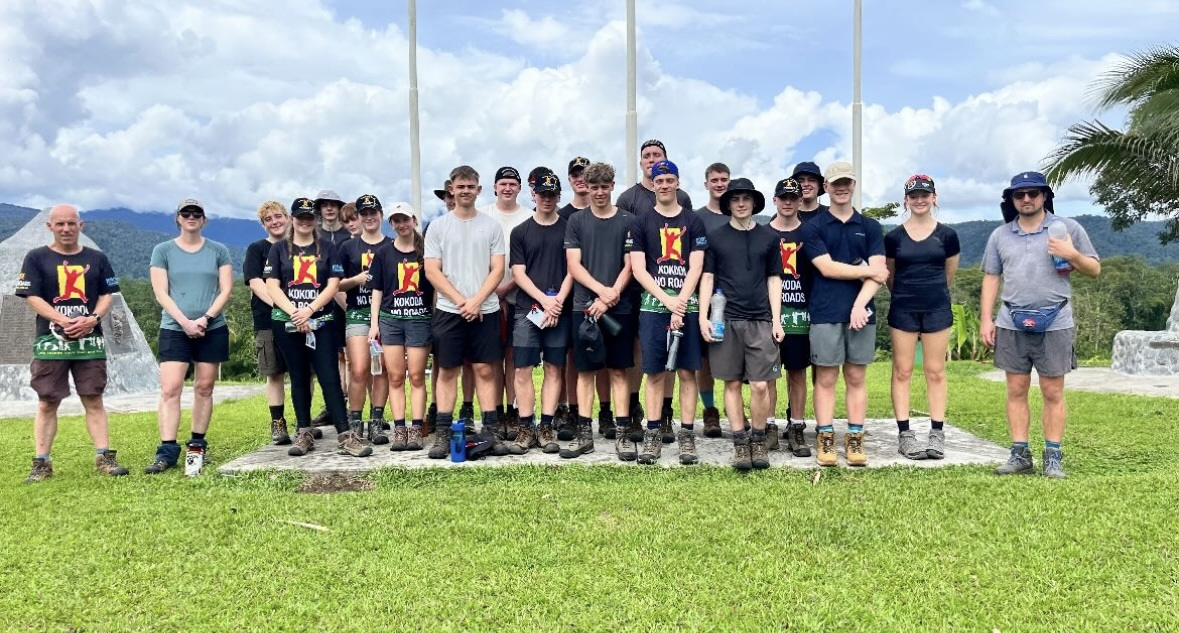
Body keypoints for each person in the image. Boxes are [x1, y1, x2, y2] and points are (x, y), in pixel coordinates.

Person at [981, 171, 1100, 479]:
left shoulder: (1067, 228)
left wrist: (1071, 253)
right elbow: (992, 277)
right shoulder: (1000, 235)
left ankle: (1053, 456)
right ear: (1011, 200)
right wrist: (985, 319)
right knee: (1016, 388)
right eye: (1019, 195)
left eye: (1033, 193)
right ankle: (1020, 454)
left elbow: (1094, 269)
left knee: (1052, 390)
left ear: (1045, 196)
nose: (1026, 199)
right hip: (1011, 319)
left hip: (1056, 320)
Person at [16, 204, 129, 482]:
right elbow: (31, 296)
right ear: (50, 226)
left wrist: (92, 319)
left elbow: (107, 294)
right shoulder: (36, 257)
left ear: (81, 225)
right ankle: (41, 463)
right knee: (47, 400)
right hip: (50, 341)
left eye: (71, 223)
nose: (66, 228)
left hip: (90, 341)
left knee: (93, 398)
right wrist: (62, 320)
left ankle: (104, 458)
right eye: (60, 224)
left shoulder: (97, 258)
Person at [265, 197, 372, 458]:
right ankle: (304, 432)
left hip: (321, 321)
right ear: (292, 219)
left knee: (329, 376)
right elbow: (272, 285)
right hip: (287, 322)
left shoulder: (328, 247)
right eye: (300, 217)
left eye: (309, 217)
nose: (305, 221)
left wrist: (310, 310)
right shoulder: (278, 249)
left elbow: (333, 284)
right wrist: (295, 313)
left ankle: (345, 434)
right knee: (299, 376)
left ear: (316, 220)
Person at [802, 162, 887, 467]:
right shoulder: (814, 227)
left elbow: (880, 275)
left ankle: (854, 438)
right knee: (825, 377)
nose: (841, 188)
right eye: (835, 183)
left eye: (846, 182)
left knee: (856, 376)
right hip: (825, 311)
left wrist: (859, 305)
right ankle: (825, 437)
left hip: (861, 314)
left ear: (853, 185)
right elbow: (826, 267)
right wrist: (867, 271)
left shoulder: (871, 227)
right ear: (826, 187)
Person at [143, 198, 233, 474]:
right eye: (186, 213)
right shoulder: (163, 250)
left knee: (204, 387)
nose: (191, 217)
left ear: (204, 220)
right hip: (174, 327)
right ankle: (167, 450)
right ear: (178, 219)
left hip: (212, 327)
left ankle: (197, 445)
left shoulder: (218, 250)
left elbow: (226, 290)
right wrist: (184, 322)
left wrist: (205, 319)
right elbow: (160, 291)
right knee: (170, 388)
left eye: (197, 213)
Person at [699, 179, 784, 471]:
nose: (740, 203)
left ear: (754, 202)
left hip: (760, 319)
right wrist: (703, 317)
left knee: (760, 385)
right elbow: (707, 278)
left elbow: (774, 279)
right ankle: (739, 442)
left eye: (746, 198)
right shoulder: (716, 237)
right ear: (728, 204)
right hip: (726, 319)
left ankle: (758, 439)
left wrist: (776, 319)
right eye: (735, 199)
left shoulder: (769, 238)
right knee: (732, 383)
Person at [424, 166, 507, 458]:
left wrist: (477, 301)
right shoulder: (438, 226)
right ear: (452, 189)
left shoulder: (491, 226)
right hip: (449, 309)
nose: (465, 191)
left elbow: (498, 269)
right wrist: (462, 302)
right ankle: (443, 434)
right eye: (460, 187)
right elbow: (432, 271)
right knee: (447, 370)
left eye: (471, 186)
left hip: (486, 308)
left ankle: (490, 431)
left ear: (479, 190)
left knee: (484, 369)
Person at [629, 160, 707, 465]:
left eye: (669, 180)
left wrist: (681, 302)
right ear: (652, 184)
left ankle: (686, 435)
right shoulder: (641, 222)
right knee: (654, 372)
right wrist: (667, 300)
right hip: (653, 307)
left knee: (687, 372)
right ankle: (652, 434)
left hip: (687, 306)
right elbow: (639, 269)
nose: (664, 185)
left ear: (677, 182)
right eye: (659, 180)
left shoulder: (693, 221)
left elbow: (696, 266)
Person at [616, 140, 695, 439]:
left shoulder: (682, 198)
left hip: (675, 288)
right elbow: (626, 247)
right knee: (642, 351)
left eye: (657, 155)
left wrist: (679, 298)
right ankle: (636, 409)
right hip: (637, 287)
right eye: (647, 156)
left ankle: (665, 411)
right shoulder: (628, 198)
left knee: (672, 350)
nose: (651, 160)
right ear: (641, 163)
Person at [564, 161, 636, 460]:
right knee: (585, 371)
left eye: (605, 187)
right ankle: (584, 434)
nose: (599, 192)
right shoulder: (576, 221)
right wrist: (600, 292)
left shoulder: (628, 220)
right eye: (594, 187)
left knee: (618, 370)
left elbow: (631, 264)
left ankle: (622, 434)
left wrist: (611, 295)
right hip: (584, 308)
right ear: (587, 187)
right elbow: (574, 265)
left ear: (612, 186)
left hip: (619, 308)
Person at [885, 175, 960, 460]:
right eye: (913, 196)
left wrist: (931, 293)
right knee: (902, 371)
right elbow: (890, 276)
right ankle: (905, 434)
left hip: (937, 308)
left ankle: (937, 432)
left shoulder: (947, 235)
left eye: (924, 195)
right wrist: (907, 294)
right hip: (903, 308)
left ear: (934, 198)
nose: (919, 200)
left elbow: (948, 275)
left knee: (935, 371)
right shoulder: (893, 237)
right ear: (906, 200)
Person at [509, 173, 573, 454]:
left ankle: (546, 426)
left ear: (559, 196)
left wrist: (557, 301)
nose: (547, 199)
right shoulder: (520, 232)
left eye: (552, 194)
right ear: (533, 195)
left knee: (554, 368)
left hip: (560, 309)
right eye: (542, 194)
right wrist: (544, 300)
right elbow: (518, 273)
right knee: (522, 368)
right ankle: (526, 426)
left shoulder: (570, 229)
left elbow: (573, 269)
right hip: (528, 310)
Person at [245, 200, 313, 445]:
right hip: (268, 319)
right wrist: (285, 307)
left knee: (304, 373)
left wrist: (300, 311)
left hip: (304, 318)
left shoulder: (303, 247)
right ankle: (278, 423)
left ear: (288, 218)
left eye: (278, 216)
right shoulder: (257, 249)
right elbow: (256, 283)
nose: (274, 222)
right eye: (268, 219)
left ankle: (304, 423)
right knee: (274, 373)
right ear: (263, 225)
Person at [369, 202, 433, 451]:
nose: (401, 224)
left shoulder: (426, 250)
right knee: (395, 376)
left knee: (416, 376)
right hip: (390, 319)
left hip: (419, 319)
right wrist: (374, 324)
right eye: (396, 220)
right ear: (391, 224)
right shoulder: (383, 253)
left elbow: (435, 286)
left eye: (405, 219)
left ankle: (416, 429)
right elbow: (377, 289)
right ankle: (399, 429)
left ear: (414, 220)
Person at [480, 166, 532, 440]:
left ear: (519, 188)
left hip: (517, 297)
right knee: (492, 358)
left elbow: (530, 264)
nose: (508, 188)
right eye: (503, 183)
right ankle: (496, 412)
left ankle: (512, 411)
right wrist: (492, 293)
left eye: (513, 183)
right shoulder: (483, 216)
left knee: (513, 357)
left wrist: (506, 289)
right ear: (495, 187)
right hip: (486, 299)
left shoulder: (529, 217)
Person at [338, 194, 393, 445]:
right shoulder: (347, 248)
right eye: (364, 214)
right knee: (359, 368)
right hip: (357, 312)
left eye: (373, 213)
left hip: (387, 314)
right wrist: (356, 280)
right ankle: (355, 422)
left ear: (381, 215)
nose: (369, 217)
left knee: (382, 370)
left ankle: (376, 421)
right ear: (359, 217)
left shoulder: (391, 245)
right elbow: (334, 283)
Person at [767, 178, 814, 457]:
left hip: (800, 316)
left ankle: (796, 426)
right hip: (769, 316)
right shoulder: (763, 234)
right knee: (769, 374)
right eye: (783, 197)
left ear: (800, 201)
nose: (787, 202)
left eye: (792, 198)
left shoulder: (810, 233)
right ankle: (769, 426)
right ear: (775, 200)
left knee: (797, 373)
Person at [694, 162, 730, 436]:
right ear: (706, 184)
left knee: (734, 358)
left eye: (724, 179)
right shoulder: (697, 219)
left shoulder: (739, 214)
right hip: (704, 296)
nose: (719, 184)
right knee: (704, 360)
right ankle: (710, 411)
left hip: (736, 297)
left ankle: (736, 410)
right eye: (714, 180)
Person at [313, 189, 351, 425]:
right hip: (320, 301)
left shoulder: (349, 233)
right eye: (324, 205)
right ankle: (332, 405)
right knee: (330, 355)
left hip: (348, 298)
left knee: (351, 355)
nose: (329, 208)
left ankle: (353, 406)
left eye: (333, 204)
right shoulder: (314, 234)